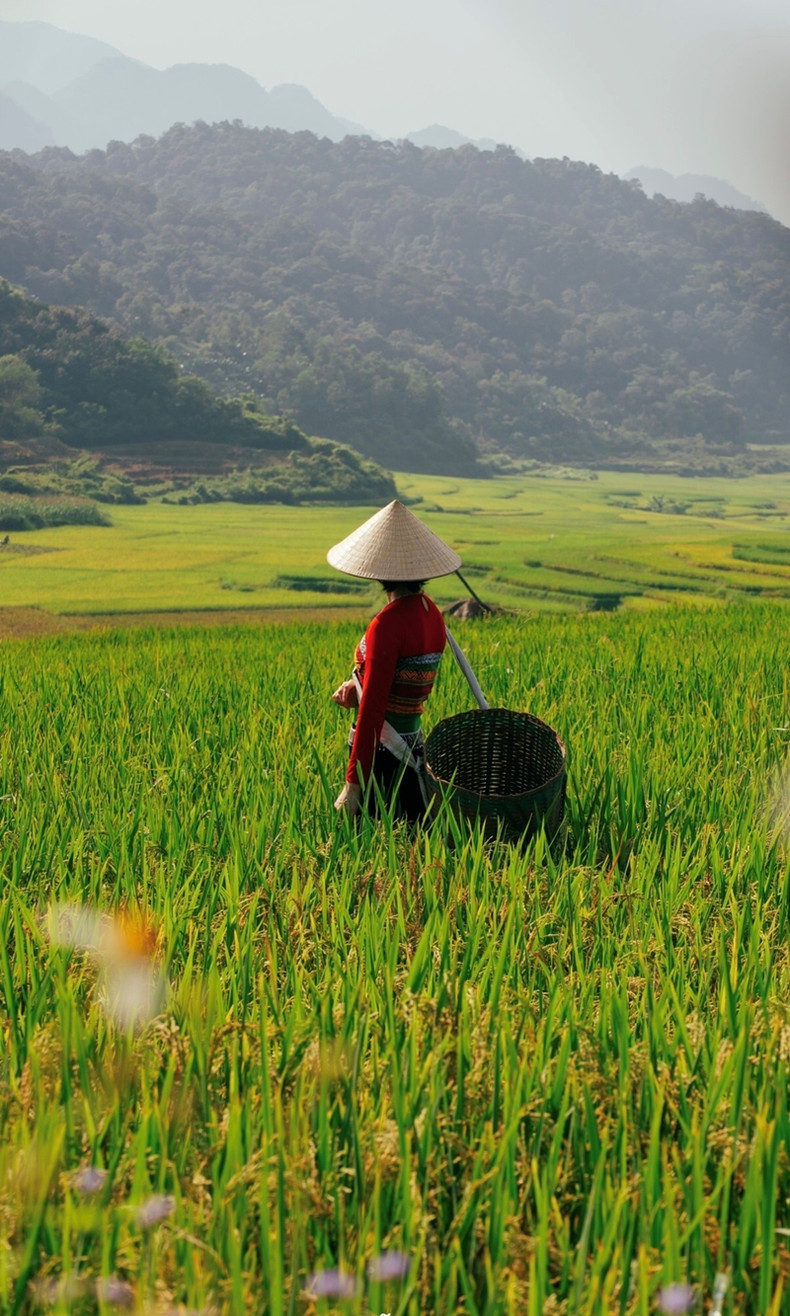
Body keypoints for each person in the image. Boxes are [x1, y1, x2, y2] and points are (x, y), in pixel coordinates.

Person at [327, 500, 462, 821]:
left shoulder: (386, 624)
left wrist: (353, 784)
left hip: (383, 753)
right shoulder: (432, 613)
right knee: (415, 830)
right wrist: (355, 684)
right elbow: (402, 678)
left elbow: (374, 708)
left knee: (375, 839)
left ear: (379, 572)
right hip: (413, 743)